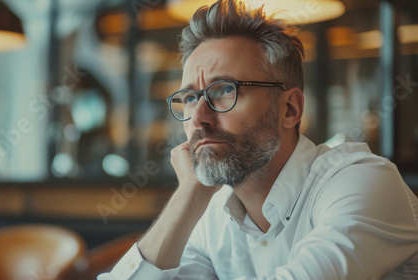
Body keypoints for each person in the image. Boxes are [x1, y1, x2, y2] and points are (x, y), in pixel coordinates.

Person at [98, 0, 418, 279]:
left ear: (289, 109)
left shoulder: (363, 181)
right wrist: (190, 192)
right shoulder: (214, 216)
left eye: (224, 90)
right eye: (190, 97)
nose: (198, 118)